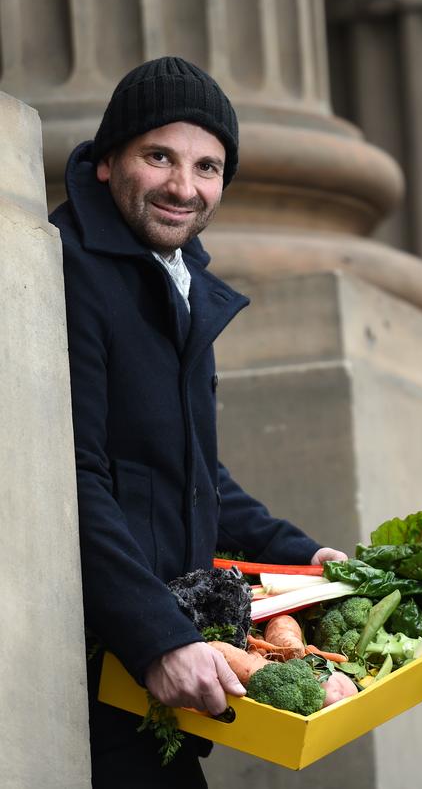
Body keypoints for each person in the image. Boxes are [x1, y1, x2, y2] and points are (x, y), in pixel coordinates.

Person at [50, 56, 346, 788]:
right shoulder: (69, 268)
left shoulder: (174, 280)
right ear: (106, 161)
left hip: (151, 668)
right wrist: (159, 641)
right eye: (160, 157)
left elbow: (191, 475)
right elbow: (67, 478)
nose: (185, 187)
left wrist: (305, 559)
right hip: (87, 661)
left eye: (208, 167)